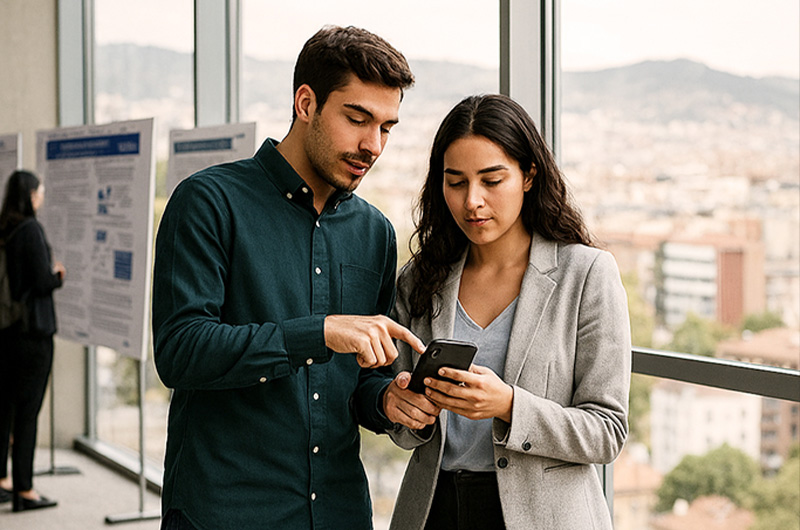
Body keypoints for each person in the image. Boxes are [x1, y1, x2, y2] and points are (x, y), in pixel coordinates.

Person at [152, 25, 424, 530]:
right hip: (227, 511)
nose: (373, 145)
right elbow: (180, 352)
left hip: (339, 512)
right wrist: (317, 332)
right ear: (306, 103)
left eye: (387, 127)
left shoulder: (375, 233)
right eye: (357, 118)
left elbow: (361, 380)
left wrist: (388, 400)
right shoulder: (208, 203)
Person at [383, 94, 631, 530]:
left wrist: (510, 405)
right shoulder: (419, 279)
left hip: (545, 517)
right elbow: (406, 432)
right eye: (455, 182)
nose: (472, 201)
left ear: (528, 175)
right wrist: (403, 409)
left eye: (491, 180)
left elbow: (607, 431)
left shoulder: (586, 273)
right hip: (432, 510)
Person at [0, 170, 65, 512]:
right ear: (29, 195)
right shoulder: (31, 229)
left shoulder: (5, 228)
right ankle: (24, 489)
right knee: (28, 411)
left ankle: (2, 480)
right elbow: (41, 281)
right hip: (33, 333)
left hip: (7, 331)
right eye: (38, 192)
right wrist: (58, 275)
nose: (41, 198)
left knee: (6, 408)